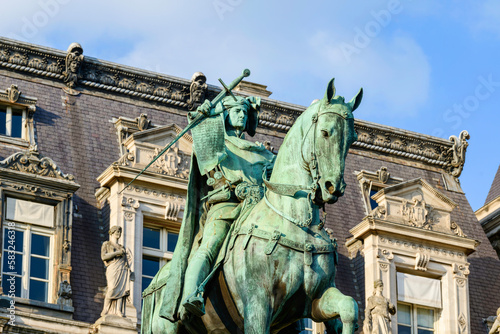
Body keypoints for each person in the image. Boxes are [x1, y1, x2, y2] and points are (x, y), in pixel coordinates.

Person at [159, 95, 275, 321]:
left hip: (258, 212)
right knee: (209, 247)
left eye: (244, 111)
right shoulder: (218, 143)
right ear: (226, 116)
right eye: (236, 111)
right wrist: (204, 117)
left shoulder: (260, 151)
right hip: (226, 208)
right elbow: (203, 140)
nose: (242, 115)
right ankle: (191, 296)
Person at [101, 226, 131, 317]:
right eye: (117, 231)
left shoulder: (122, 247)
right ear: (112, 233)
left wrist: (130, 271)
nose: (118, 233)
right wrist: (116, 253)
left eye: (120, 231)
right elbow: (104, 257)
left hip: (122, 268)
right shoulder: (107, 244)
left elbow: (126, 261)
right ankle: (105, 309)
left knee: (121, 290)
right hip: (113, 267)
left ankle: (118, 310)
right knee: (112, 287)